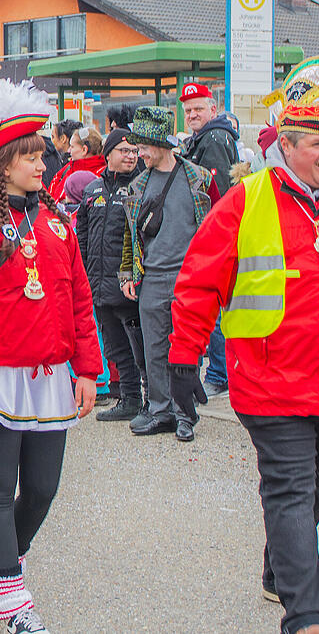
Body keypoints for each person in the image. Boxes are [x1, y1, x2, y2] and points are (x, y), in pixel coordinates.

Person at [168, 56, 319, 634]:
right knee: (291, 488)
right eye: (315, 144)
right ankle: (305, 615)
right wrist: (183, 356)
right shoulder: (248, 200)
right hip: (269, 380)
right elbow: (199, 281)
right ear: (287, 144)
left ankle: (280, 570)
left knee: (317, 483)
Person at [0, 80, 100, 634]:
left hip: (53, 376)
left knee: (45, 489)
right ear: (1, 166)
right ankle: (12, 598)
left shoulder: (57, 224)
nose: (40, 162)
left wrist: (86, 369)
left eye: (40, 153)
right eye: (29, 156)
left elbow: (80, 300)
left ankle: (3, 560)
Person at [119, 107, 213, 441]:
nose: (139, 152)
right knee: (154, 349)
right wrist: (127, 273)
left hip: (190, 279)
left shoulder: (199, 178)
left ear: (162, 144)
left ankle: (185, 413)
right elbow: (131, 235)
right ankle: (160, 411)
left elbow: (215, 230)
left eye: (143, 145)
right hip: (152, 279)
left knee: (187, 351)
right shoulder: (137, 186)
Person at [76, 129, 146, 422]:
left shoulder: (142, 187)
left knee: (141, 350)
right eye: (124, 151)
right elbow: (81, 234)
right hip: (98, 284)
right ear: (108, 155)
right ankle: (129, 399)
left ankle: (154, 402)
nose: (130, 156)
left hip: (129, 287)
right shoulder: (92, 190)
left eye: (133, 152)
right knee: (116, 349)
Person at [178, 83, 240, 400]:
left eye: (198, 109)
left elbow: (213, 194)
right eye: (188, 110)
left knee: (214, 308)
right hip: (214, 232)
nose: (192, 115)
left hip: (215, 233)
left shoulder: (214, 138)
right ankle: (219, 370)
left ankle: (219, 373)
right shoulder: (203, 138)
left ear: (212, 109)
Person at [48, 127, 105, 202]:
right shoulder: (68, 168)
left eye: (72, 147)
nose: (69, 150)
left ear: (84, 150)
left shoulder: (102, 176)